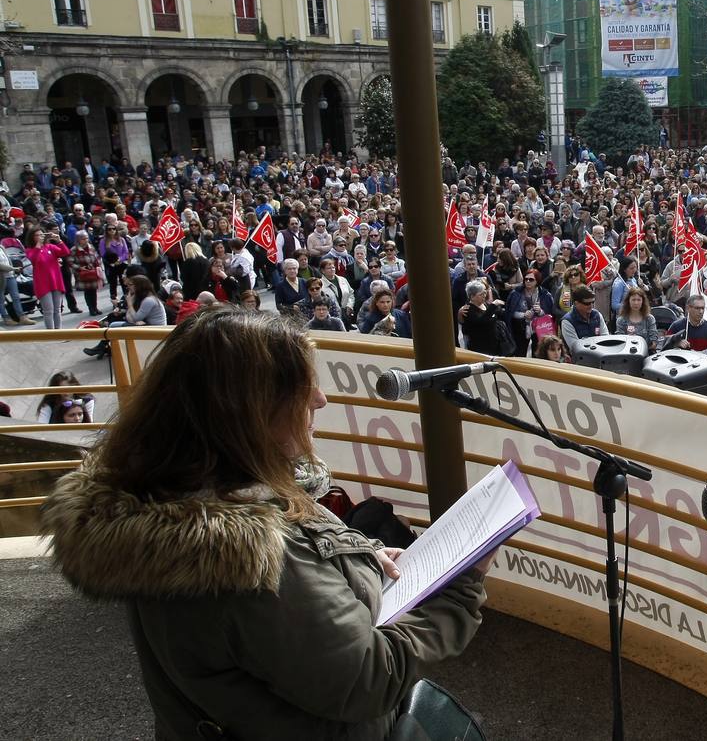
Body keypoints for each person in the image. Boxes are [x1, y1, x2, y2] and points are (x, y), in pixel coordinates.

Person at [41, 308, 489, 738]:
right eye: (301, 387)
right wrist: (461, 586)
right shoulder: (245, 555)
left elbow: (291, 621)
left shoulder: (183, 493)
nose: (321, 399)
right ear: (249, 411)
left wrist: (359, 561)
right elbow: (368, 678)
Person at [25, 226, 70, 329]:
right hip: (42, 283)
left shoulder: (50, 247)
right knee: (48, 310)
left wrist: (59, 241)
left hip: (55, 281)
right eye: (38, 235)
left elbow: (65, 252)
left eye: (42, 235)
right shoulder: (30, 250)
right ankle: (50, 332)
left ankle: (58, 330)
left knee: (57, 309)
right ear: (32, 237)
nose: (41, 237)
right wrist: (38, 246)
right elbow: (34, 259)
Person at [458, 280, 505, 354]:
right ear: (472, 297)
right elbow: (481, 321)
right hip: (481, 349)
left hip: (494, 345)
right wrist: (493, 306)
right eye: (481, 294)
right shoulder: (468, 309)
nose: (484, 296)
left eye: (484, 293)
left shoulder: (484, 304)